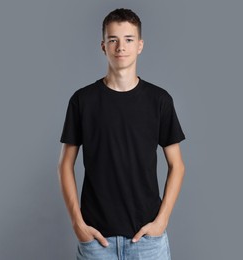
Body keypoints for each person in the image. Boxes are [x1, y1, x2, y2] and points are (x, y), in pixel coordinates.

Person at [58, 8, 185, 260]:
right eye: (113, 39)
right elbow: (65, 165)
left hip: (148, 239)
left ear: (140, 45)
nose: (120, 47)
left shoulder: (159, 100)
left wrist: (162, 221)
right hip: (97, 241)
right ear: (103, 46)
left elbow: (177, 165)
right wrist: (77, 224)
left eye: (128, 39)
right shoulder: (82, 100)